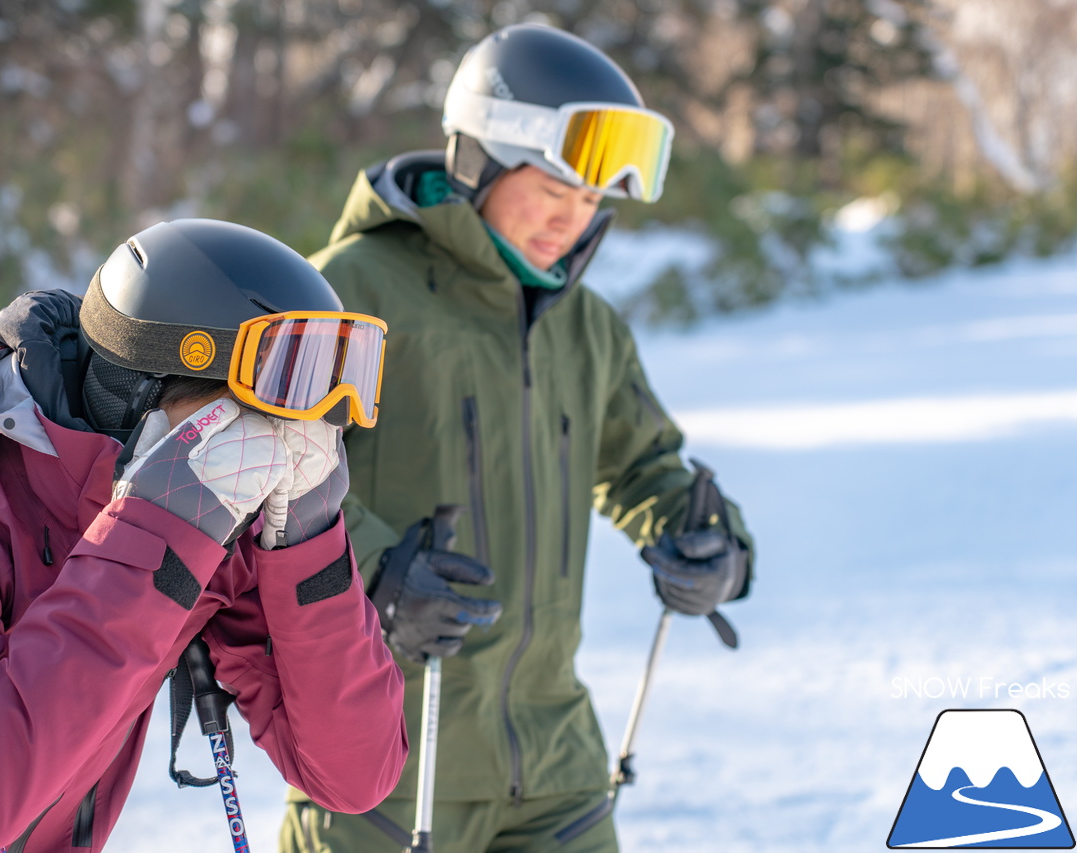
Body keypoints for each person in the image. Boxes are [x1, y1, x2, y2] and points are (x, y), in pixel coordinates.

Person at [278, 23, 754, 853]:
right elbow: (264, 478)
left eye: (591, 201)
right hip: (386, 765)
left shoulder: (587, 327)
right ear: (483, 161)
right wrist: (382, 570)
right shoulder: (350, 291)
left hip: (557, 765)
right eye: (553, 189)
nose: (572, 222)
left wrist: (711, 542)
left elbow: (643, 465)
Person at [0, 218, 407, 852]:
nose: (275, 456)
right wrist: (162, 522)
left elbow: (351, 774)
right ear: (138, 395)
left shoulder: (212, 540)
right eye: (249, 427)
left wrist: (309, 544)